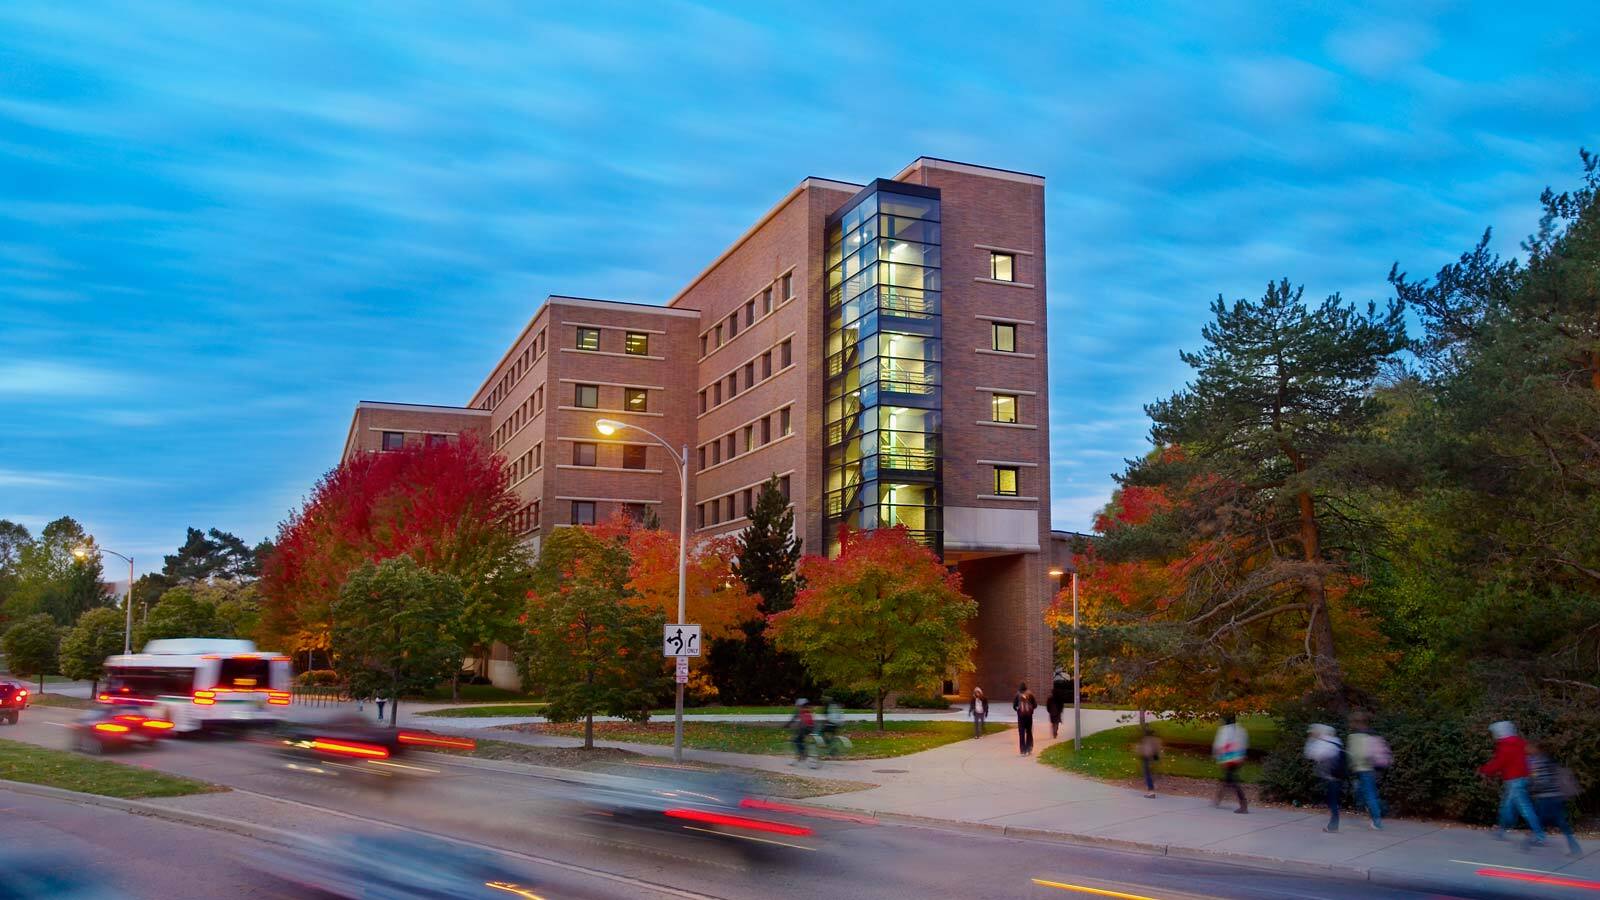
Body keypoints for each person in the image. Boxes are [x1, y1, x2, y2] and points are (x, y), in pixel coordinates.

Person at [1479, 720, 1546, 846]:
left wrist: (1484, 770)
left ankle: (1539, 836)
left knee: (1524, 809)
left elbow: (1498, 763)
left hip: (1514, 781)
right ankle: (1501, 831)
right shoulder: (1519, 742)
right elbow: (1530, 754)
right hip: (1522, 779)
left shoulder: (1505, 746)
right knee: (1507, 807)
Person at [1527, 740, 1581, 856]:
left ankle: (1529, 843)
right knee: (1561, 823)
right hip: (1556, 796)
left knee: (1540, 820)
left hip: (1546, 798)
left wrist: (1533, 787)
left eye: (1530, 747)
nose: (1528, 749)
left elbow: (1542, 781)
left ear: (1536, 749)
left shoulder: (1539, 761)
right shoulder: (1549, 760)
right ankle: (1575, 848)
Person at [1345, 712, 1388, 829]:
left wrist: (1352, 764)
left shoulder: (1354, 737)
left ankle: (1377, 820)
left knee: (1369, 795)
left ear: (1355, 723)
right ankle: (1378, 810)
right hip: (1372, 768)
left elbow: (1357, 754)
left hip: (1364, 769)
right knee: (1365, 793)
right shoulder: (1372, 734)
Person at [1305, 723, 1347, 832]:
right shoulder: (1336, 742)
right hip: (1336, 776)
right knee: (1332, 800)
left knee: (1332, 801)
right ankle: (1333, 824)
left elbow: (1310, 754)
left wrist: (1311, 739)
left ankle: (1333, 825)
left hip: (1331, 777)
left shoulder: (1324, 743)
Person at [1211, 714, 1249, 813]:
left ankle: (1243, 803)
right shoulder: (1241, 730)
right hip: (1238, 758)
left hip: (1228, 759)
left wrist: (1218, 757)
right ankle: (1218, 799)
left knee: (1231, 780)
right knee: (1228, 778)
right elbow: (1244, 744)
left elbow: (1219, 745)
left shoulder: (1224, 730)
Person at [785, 699, 814, 767]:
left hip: (804, 728)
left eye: (798, 705)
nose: (797, 706)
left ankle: (803, 754)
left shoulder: (799, 711)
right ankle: (803, 754)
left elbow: (794, 719)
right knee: (801, 740)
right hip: (811, 728)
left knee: (797, 741)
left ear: (799, 705)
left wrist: (787, 725)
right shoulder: (808, 710)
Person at [1012, 682, 1038, 756]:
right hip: (1029, 716)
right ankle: (1029, 748)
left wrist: (1018, 710)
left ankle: (1022, 750)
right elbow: (1035, 705)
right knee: (1029, 732)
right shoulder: (1030, 694)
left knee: (1021, 733)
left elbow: (1014, 706)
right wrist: (1031, 709)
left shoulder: (1017, 694)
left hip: (1021, 717)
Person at [1137, 725, 1162, 798]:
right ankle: (1154, 784)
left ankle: (1151, 792)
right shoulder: (1156, 740)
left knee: (1147, 775)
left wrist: (1140, 753)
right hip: (1155, 759)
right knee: (1152, 773)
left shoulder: (1146, 740)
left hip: (1147, 759)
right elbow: (1157, 750)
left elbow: (1145, 751)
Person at [1045, 675, 1069, 739]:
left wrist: (1049, 710)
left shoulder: (1050, 698)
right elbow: (1061, 705)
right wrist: (1061, 710)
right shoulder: (1059, 698)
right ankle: (1055, 732)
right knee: (1056, 722)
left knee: (1053, 722)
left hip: (1052, 712)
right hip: (1057, 712)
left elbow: (1048, 705)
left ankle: (1054, 732)